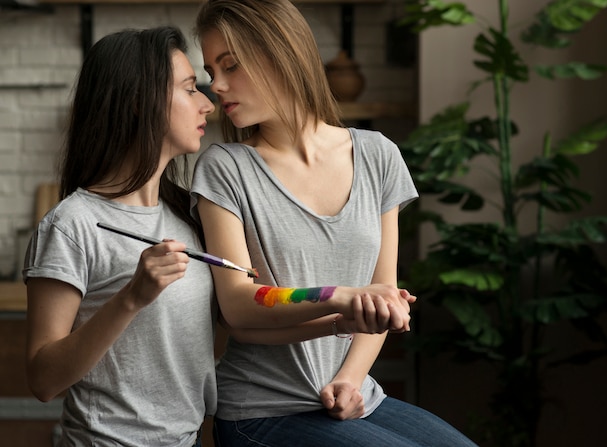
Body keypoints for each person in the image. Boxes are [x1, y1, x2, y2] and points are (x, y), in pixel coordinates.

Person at [190, 1, 478, 446]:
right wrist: (341, 301)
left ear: (282, 54)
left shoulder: (378, 155)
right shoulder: (225, 168)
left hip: (356, 396)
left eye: (230, 66)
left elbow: (382, 292)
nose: (217, 86)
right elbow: (239, 305)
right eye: (212, 72)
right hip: (261, 412)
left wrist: (350, 378)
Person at [23, 26, 216, 446]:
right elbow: (42, 379)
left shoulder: (190, 212)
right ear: (136, 102)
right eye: (189, 89)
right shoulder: (71, 225)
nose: (207, 104)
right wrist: (132, 297)